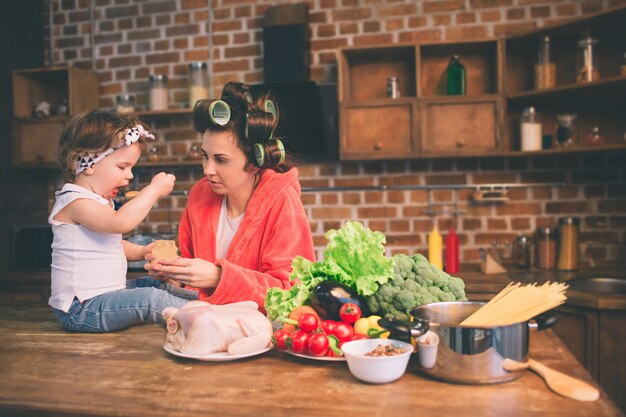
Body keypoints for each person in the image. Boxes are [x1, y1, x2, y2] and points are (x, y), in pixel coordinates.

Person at [145, 82, 315, 311]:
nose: (208, 170)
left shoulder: (282, 202)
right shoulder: (200, 195)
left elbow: (292, 291)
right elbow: (190, 282)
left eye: (221, 160)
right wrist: (171, 274)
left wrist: (219, 277)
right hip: (202, 325)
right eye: (205, 156)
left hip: (258, 335)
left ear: (255, 163)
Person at [49, 111, 193, 332]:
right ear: (87, 161)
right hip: (81, 309)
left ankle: (210, 302)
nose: (130, 176)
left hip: (105, 296)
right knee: (149, 299)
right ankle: (207, 317)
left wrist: (143, 250)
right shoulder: (74, 201)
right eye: (122, 166)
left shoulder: (97, 203)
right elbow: (120, 224)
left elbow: (109, 244)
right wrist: (153, 190)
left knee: (153, 285)